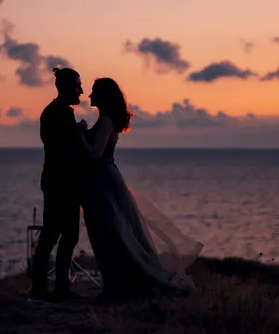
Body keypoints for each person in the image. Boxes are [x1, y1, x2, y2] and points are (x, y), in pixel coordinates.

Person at [77, 78, 203, 301]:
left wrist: (79, 134)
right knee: (111, 234)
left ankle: (118, 287)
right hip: (104, 180)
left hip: (103, 181)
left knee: (109, 235)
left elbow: (95, 153)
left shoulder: (106, 121)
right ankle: (117, 285)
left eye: (94, 91)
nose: (89, 95)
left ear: (104, 95)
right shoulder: (106, 121)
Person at [29, 67, 84, 303]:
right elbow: (64, 148)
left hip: (60, 181)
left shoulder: (57, 112)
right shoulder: (57, 113)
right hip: (59, 182)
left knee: (63, 234)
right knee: (55, 234)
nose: (80, 90)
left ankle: (55, 286)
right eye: (77, 86)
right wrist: (78, 132)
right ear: (64, 88)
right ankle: (45, 289)